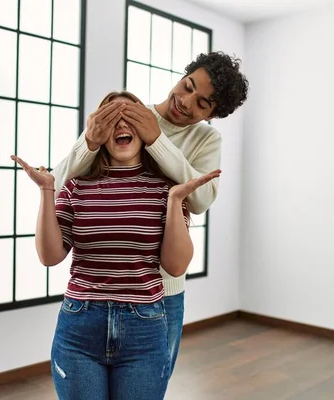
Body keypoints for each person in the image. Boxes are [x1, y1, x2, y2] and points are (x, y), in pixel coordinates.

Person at [51, 52, 249, 376]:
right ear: (183, 76)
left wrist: (156, 140)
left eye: (202, 104)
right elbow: (57, 184)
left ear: (214, 113)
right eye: (187, 86)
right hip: (98, 292)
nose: (185, 101)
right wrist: (89, 142)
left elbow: (200, 199)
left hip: (165, 290)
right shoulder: (127, 113)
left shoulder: (206, 140)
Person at [12, 90, 219, 400]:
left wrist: (176, 200)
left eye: (131, 118)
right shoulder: (75, 186)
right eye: (111, 119)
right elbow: (49, 256)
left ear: (148, 131)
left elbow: (176, 266)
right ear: (98, 132)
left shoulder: (166, 188)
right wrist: (47, 192)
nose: (122, 124)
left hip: (145, 330)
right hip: (79, 327)